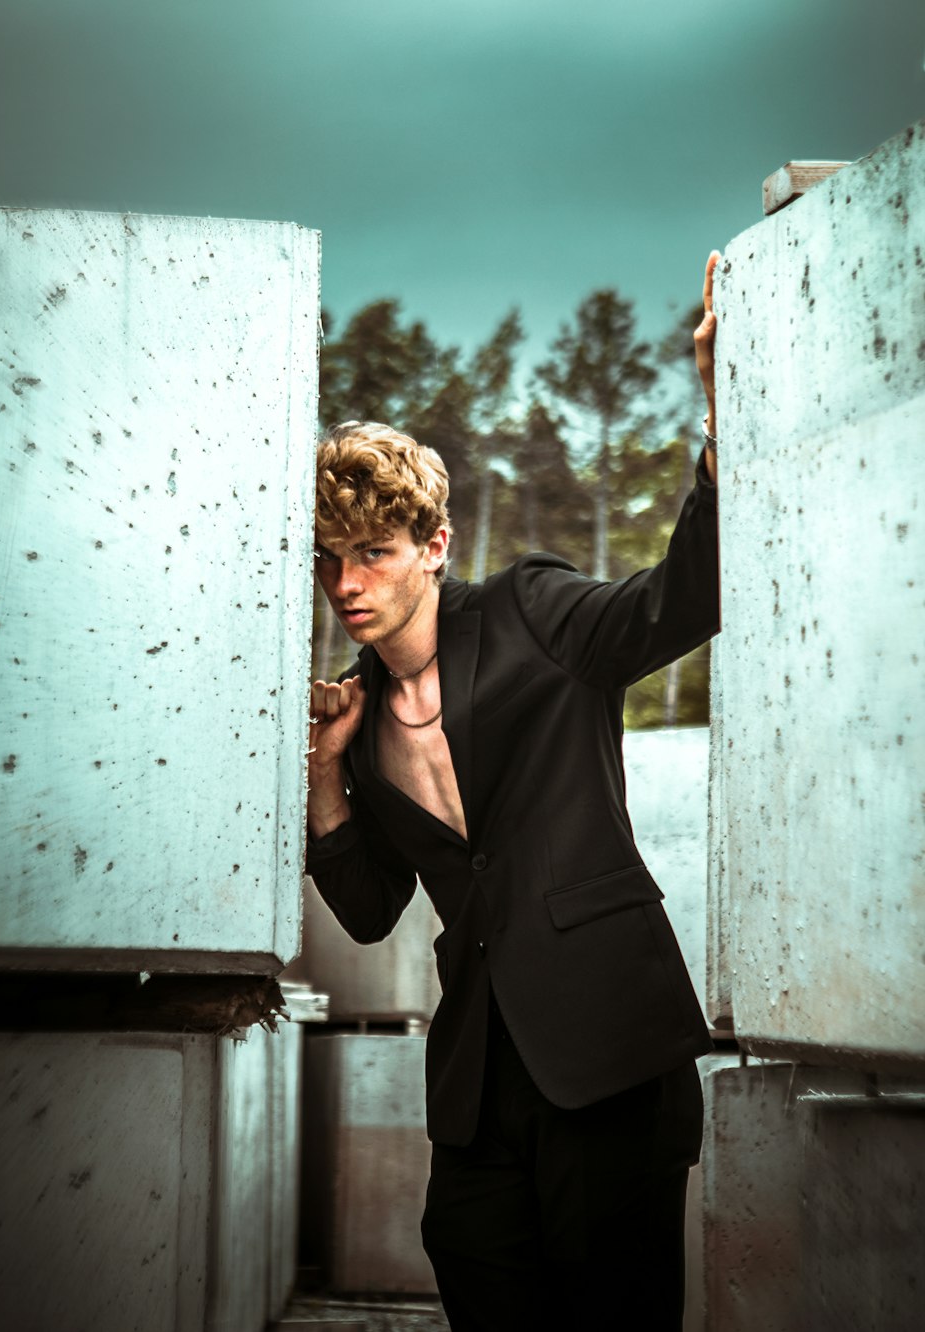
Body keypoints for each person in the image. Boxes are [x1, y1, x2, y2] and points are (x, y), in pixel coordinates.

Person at [305, 253, 722, 1330]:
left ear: (435, 547)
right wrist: (324, 776)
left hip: (608, 1044)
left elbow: (679, 601)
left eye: (373, 553)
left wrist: (721, 420)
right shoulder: (349, 724)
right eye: (329, 560)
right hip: (480, 1080)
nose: (348, 585)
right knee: (477, 1270)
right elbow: (365, 909)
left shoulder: (535, 613)